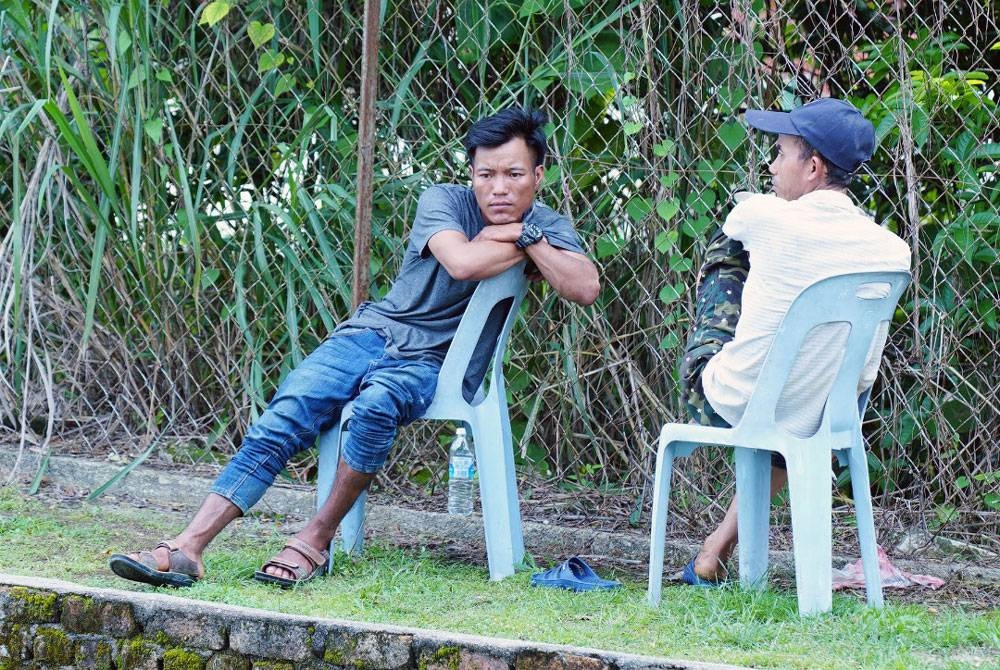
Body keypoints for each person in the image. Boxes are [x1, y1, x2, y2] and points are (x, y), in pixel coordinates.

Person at [109, 107, 600, 588]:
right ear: (469, 173)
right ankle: (188, 548)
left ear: (537, 175)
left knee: (374, 407)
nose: (498, 188)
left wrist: (526, 234)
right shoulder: (443, 201)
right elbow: (463, 262)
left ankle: (315, 539)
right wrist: (529, 242)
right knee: (285, 415)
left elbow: (584, 288)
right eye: (485, 173)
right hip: (372, 334)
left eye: (513, 174)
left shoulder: (545, 224)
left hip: (438, 363)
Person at [678, 98, 910, 585]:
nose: (771, 164)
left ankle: (715, 545)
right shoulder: (893, 250)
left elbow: (740, 227)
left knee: (729, 254)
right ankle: (716, 547)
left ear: (814, 166)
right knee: (800, 407)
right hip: (825, 413)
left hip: (732, 396)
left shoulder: (763, 216)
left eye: (781, 153)